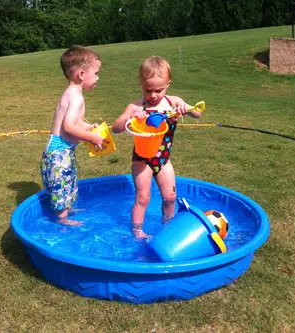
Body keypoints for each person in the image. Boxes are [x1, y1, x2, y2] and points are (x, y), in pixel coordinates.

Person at [112, 56, 201, 238]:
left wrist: (187, 108)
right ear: (141, 85)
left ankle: (167, 227)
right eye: (147, 90)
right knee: (143, 198)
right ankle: (137, 232)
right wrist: (130, 117)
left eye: (158, 90)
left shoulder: (173, 102)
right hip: (142, 159)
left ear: (168, 84)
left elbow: (198, 113)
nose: (152, 95)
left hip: (163, 159)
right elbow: (116, 128)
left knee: (170, 197)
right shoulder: (137, 106)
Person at [40, 45, 108, 226]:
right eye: (96, 73)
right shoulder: (76, 97)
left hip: (59, 151)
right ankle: (62, 221)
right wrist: (92, 138)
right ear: (81, 74)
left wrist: (87, 127)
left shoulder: (71, 94)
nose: (98, 78)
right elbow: (69, 126)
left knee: (67, 183)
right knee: (62, 186)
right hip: (59, 153)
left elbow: (75, 121)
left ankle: (66, 211)